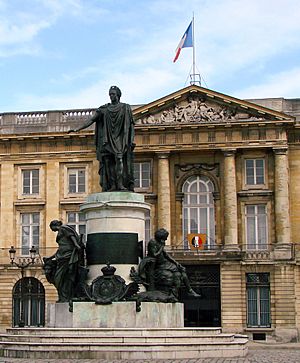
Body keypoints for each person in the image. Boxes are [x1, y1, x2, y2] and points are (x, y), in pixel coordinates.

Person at [68, 86, 135, 192]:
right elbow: (91, 120)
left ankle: (121, 183)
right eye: (110, 94)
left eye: (113, 94)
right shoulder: (104, 109)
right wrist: (77, 129)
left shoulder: (125, 108)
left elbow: (130, 126)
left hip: (120, 139)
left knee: (119, 159)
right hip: (107, 139)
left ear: (118, 95)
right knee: (108, 163)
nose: (111, 96)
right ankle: (112, 185)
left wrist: (130, 140)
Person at [138, 228, 199, 297]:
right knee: (174, 275)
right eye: (165, 237)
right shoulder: (152, 242)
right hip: (159, 264)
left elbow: (166, 255)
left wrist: (176, 263)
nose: (166, 239)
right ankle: (179, 292)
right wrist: (161, 248)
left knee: (181, 271)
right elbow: (154, 255)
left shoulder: (161, 242)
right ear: (161, 236)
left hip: (165, 263)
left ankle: (188, 290)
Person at [43, 220, 84, 303]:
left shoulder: (63, 228)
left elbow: (71, 235)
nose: (52, 230)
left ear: (55, 225)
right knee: (60, 278)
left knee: (60, 277)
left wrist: (76, 244)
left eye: (51, 228)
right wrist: (50, 258)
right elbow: (60, 250)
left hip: (67, 256)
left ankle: (66, 296)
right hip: (62, 256)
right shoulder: (62, 231)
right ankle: (64, 296)